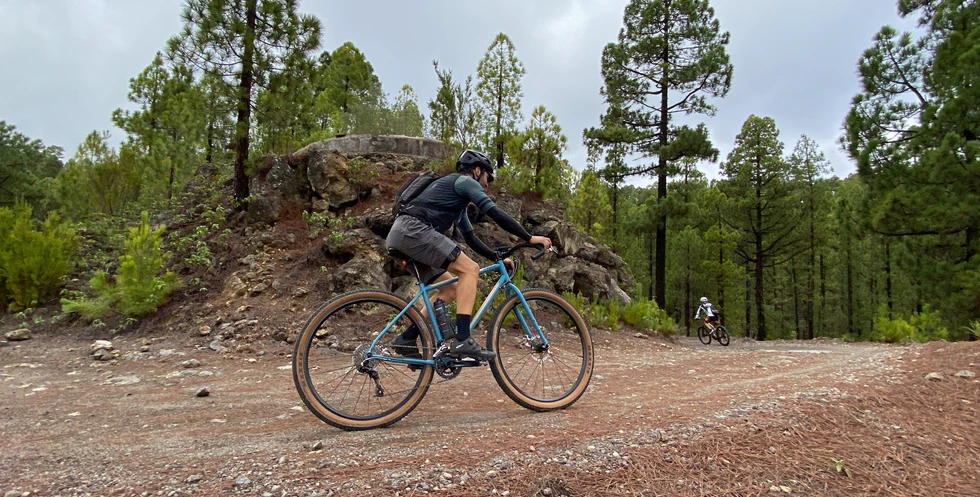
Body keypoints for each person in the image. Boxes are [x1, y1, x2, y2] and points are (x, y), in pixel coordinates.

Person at [386, 149, 553, 360]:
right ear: (477, 170)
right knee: (470, 269)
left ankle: (406, 338)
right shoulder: (465, 182)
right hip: (414, 230)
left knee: (449, 289)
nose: (487, 184)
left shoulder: (455, 200)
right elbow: (494, 213)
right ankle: (463, 340)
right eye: (488, 177)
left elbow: (471, 239)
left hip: (400, 235)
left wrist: (496, 258)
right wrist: (529, 238)